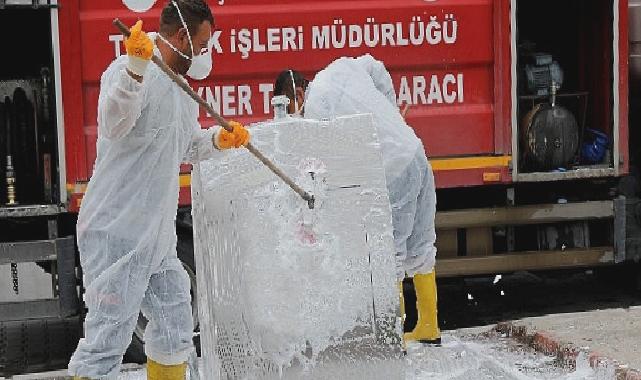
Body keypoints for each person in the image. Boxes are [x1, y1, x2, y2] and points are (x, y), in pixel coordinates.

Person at [68, 1, 250, 379]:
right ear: (182, 36)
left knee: (174, 318)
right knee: (107, 338)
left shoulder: (179, 88)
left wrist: (219, 139)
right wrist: (135, 70)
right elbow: (113, 124)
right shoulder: (128, 70)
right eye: (202, 45)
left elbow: (183, 145)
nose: (203, 54)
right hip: (116, 231)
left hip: (155, 236)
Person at [274, 55, 440, 344]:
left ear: (298, 95)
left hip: (392, 170)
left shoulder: (315, 109)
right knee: (421, 245)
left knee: (391, 255)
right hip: (415, 152)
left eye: (292, 110)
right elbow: (378, 67)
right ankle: (429, 326)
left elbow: (320, 169)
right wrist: (390, 113)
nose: (297, 117)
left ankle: (394, 339)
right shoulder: (341, 67)